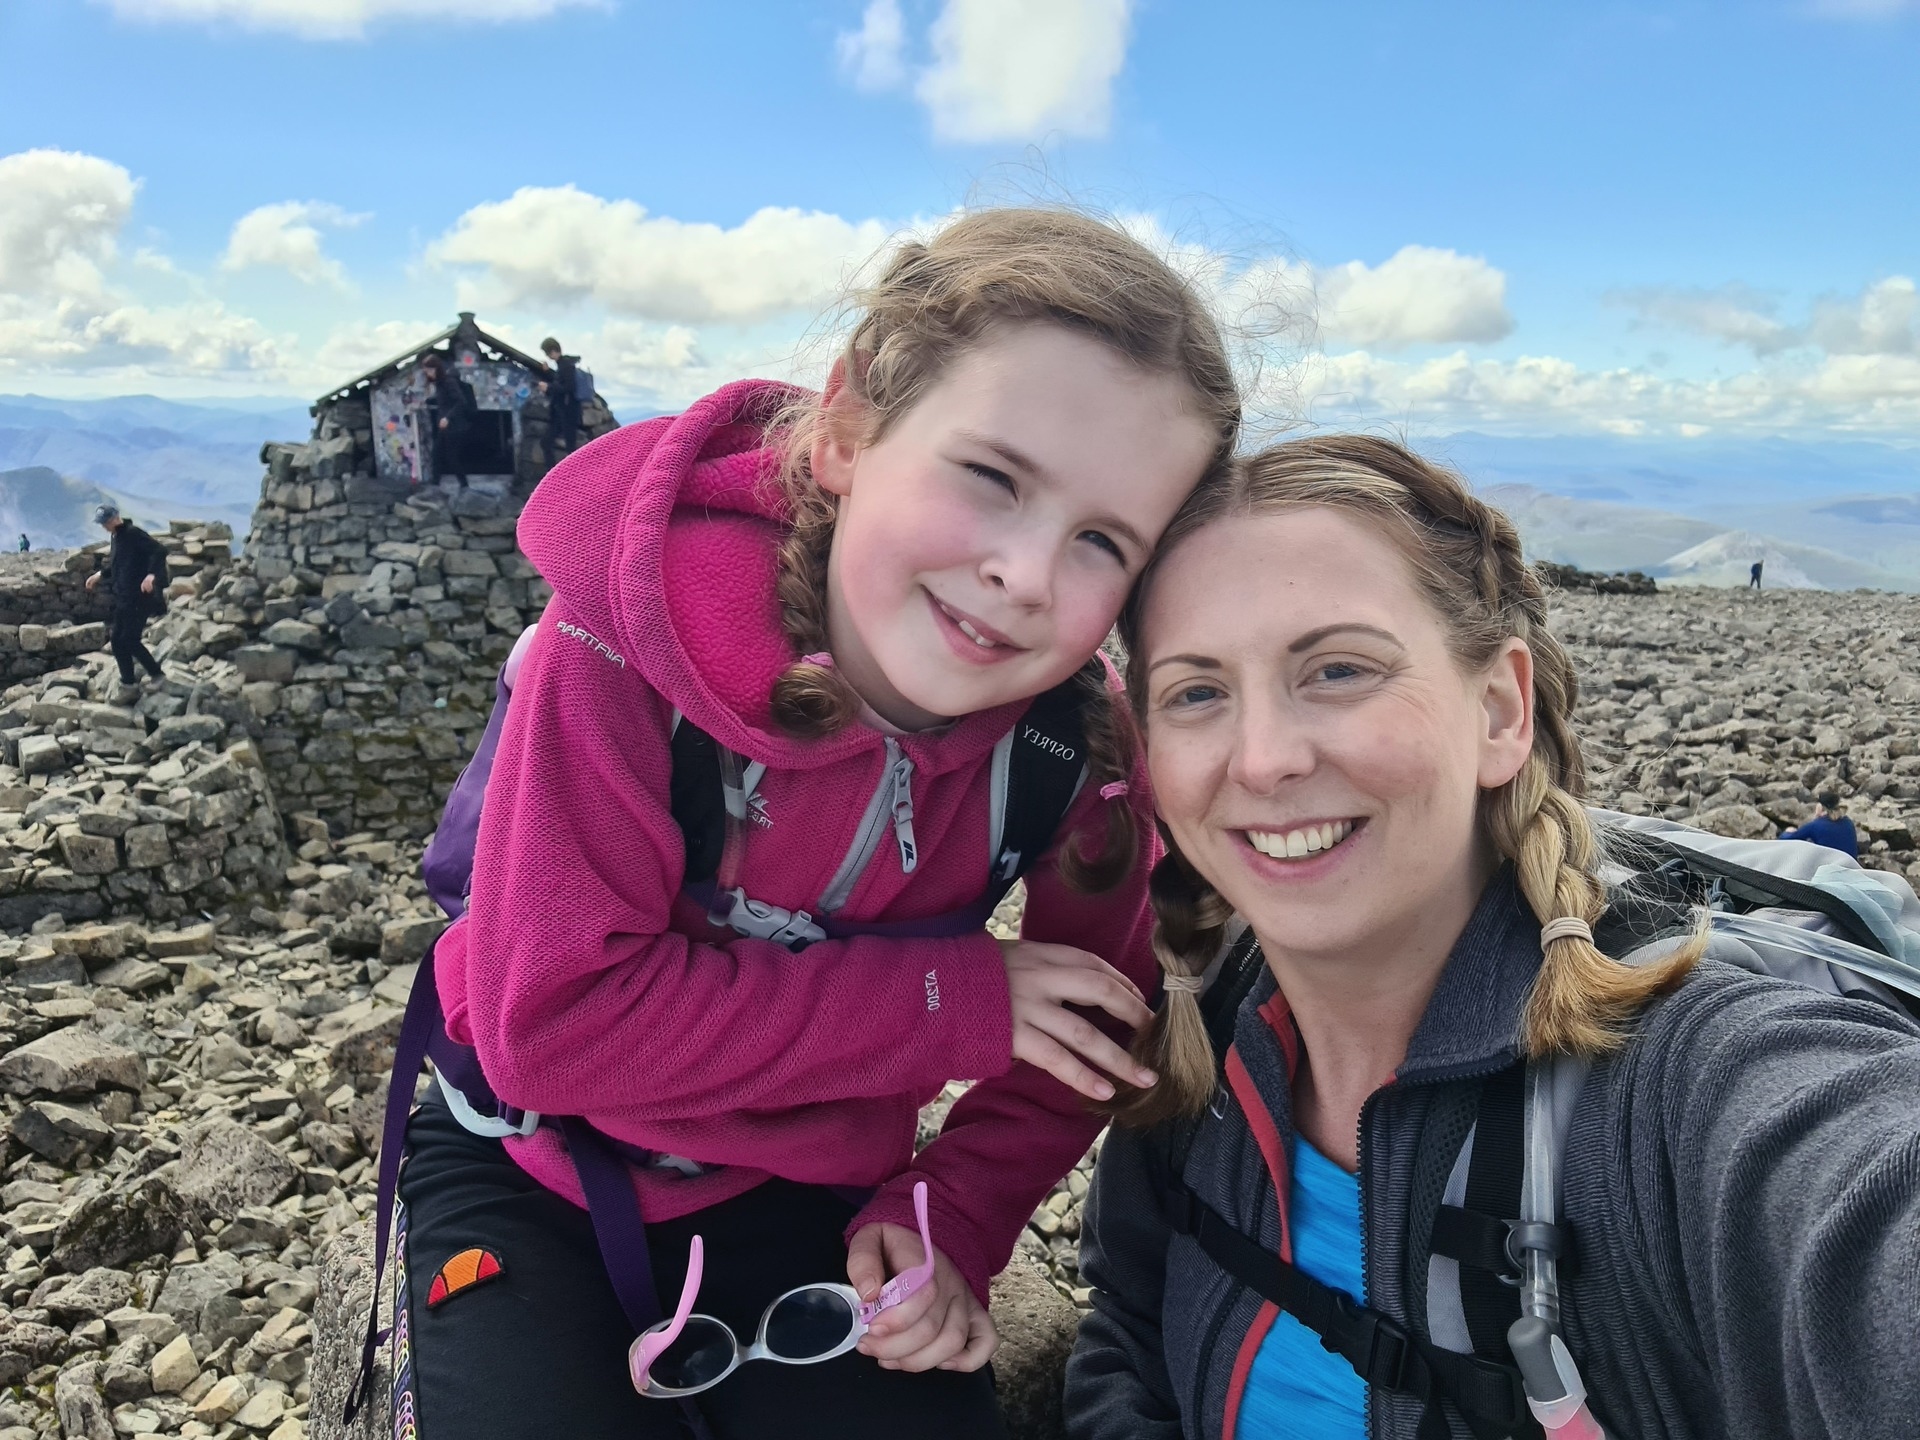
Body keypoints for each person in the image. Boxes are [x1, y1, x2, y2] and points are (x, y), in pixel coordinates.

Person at [400, 208, 1243, 1439]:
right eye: (993, 478)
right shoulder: (623, 648)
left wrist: (952, 1208)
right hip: (531, 1161)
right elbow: (554, 1024)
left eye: (1103, 540)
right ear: (848, 429)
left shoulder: (1073, 749)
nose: (1023, 572)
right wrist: (957, 1004)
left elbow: (1090, 1035)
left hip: (812, 1188)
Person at [1067, 436, 1920, 1440]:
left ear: (1501, 709)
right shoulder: (1205, 1034)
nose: (1263, 760)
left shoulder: (1695, 1084)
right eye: (1197, 692)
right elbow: (1131, 1325)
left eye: (1339, 669)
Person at [83, 503, 165, 689]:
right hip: (123, 597)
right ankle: (127, 680)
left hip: (139, 597)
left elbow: (159, 551)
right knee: (117, 640)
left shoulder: (133, 533)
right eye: (102, 523)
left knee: (130, 639)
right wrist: (99, 575)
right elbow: (117, 564)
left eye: (106, 522)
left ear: (115, 518)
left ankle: (157, 673)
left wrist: (151, 576)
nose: (104, 526)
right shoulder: (117, 537)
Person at [420, 350, 478, 489]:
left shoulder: (448, 381)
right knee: (438, 453)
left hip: (455, 426)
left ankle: (463, 484)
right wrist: (425, 402)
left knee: (450, 456)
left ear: (435, 368)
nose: (427, 373)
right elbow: (444, 400)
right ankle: (436, 483)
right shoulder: (440, 383)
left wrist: (447, 417)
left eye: (428, 370)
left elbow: (460, 402)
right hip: (446, 426)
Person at [540, 335, 584, 463]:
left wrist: (548, 388)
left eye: (547, 352)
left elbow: (569, 387)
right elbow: (560, 381)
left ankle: (566, 477)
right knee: (547, 443)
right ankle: (555, 476)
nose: (547, 356)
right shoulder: (563, 365)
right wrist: (548, 373)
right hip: (561, 412)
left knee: (570, 447)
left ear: (553, 351)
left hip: (567, 412)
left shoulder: (566, 365)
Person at [1780, 789, 1858, 857]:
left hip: (1829, 869)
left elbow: (1787, 839)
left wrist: (1788, 832)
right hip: (1851, 866)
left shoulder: (1815, 826)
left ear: (1821, 806)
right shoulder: (1848, 822)